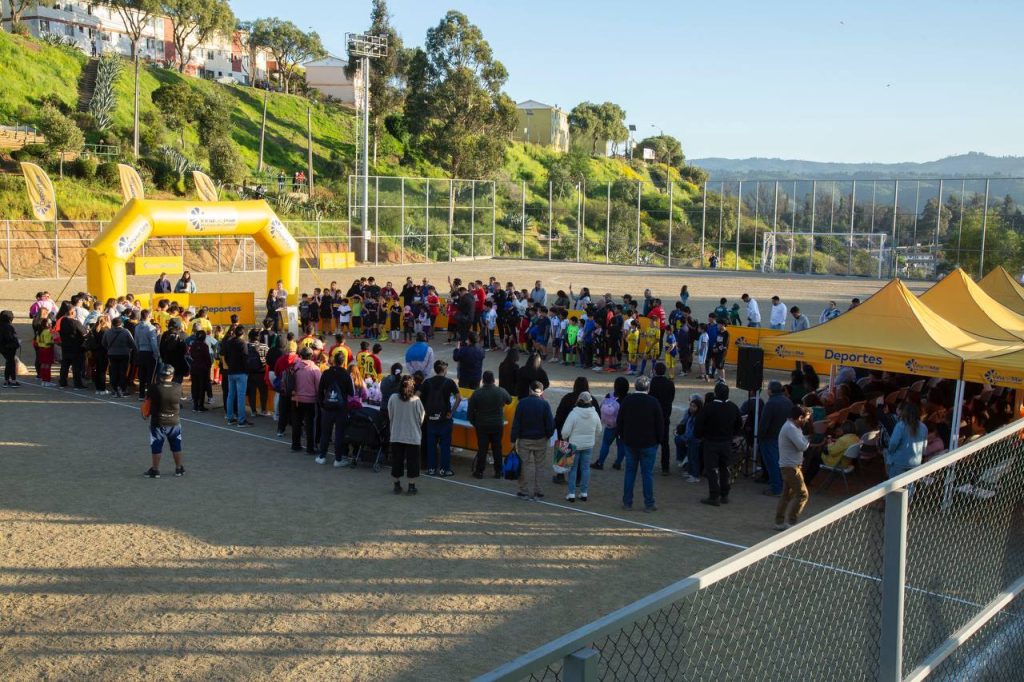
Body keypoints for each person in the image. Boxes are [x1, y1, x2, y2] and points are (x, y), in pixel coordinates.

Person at [617, 376, 663, 512]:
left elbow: (620, 420)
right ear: (648, 388)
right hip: (649, 443)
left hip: (630, 442)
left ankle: (627, 502)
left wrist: (622, 437)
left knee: (630, 473)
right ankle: (649, 504)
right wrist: (658, 440)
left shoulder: (627, 400)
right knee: (647, 474)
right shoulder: (653, 402)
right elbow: (660, 423)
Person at [695, 381, 743, 506]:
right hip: (726, 443)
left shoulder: (709, 407)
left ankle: (714, 495)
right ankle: (724, 494)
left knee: (712, 470)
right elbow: (739, 424)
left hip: (711, 443)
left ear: (716, 393)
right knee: (725, 469)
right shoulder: (733, 407)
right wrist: (732, 435)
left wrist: (701, 436)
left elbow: (698, 426)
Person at [511, 380, 555, 500]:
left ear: (530, 390)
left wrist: (513, 438)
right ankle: (538, 491)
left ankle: (523, 490)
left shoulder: (522, 403)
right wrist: (548, 435)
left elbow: (516, 423)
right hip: (540, 439)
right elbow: (550, 424)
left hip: (524, 439)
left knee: (524, 464)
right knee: (539, 466)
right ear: (541, 392)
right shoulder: (545, 404)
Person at [467, 370, 511, 479]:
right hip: (497, 424)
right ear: (493, 380)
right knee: (497, 448)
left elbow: (470, 412)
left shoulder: (477, 393)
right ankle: (498, 471)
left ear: (483, 380)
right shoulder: (501, 391)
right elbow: (509, 401)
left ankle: (479, 471)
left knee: (482, 448)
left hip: (482, 424)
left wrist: (475, 423)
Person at [420, 360, 461, 477]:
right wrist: (451, 412)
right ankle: (444, 469)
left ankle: (431, 468)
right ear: (444, 370)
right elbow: (459, 398)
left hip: (431, 419)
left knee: (431, 445)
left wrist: (423, 412)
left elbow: (417, 396)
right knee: (445, 446)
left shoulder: (427, 382)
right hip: (444, 419)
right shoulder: (449, 382)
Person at [143, 364, 184, 478]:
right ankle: (179, 468)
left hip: (158, 422)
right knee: (176, 446)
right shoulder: (178, 387)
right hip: (174, 421)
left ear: (160, 375)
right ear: (172, 375)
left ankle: (155, 470)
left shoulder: (153, 387)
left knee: (156, 446)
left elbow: (147, 401)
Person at [561, 391, 603, 502]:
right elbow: (599, 429)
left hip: (574, 445)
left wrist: (566, 439)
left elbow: (565, 432)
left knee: (573, 469)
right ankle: (584, 492)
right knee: (585, 468)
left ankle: (571, 493)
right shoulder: (594, 414)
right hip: (588, 445)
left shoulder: (574, 413)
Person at [317, 352, 355, 467]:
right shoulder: (345, 374)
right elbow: (351, 392)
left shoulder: (326, 373)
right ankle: (338, 459)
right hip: (340, 408)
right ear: (343, 362)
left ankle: (322, 456)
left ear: (333, 361)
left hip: (328, 407)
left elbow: (320, 391)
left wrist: (322, 405)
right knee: (339, 434)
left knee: (325, 433)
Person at [776, 405, 811, 530]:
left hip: (790, 466)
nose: (806, 421)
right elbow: (802, 446)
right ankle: (791, 523)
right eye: (805, 418)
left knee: (786, 495)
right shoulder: (791, 428)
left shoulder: (793, 427)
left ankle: (779, 522)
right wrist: (808, 439)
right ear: (799, 417)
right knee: (802, 494)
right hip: (791, 467)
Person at [389, 374, 425, 495]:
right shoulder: (416, 401)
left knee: (397, 461)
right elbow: (421, 418)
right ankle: (411, 486)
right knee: (412, 462)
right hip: (412, 435)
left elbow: (390, 415)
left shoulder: (393, 398)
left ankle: (397, 486)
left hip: (397, 434)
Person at [758, 380, 793, 497]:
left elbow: (764, 423)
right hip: (783, 437)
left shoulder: (771, 404)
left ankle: (776, 488)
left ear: (770, 391)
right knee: (780, 462)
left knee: (772, 463)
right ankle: (781, 485)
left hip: (770, 437)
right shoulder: (788, 402)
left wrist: (760, 436)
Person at [594, 376, 629, 470]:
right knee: (621, 445)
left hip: (610, 425)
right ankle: (618, 463)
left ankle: (600, 462)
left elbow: (601, 407)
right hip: (622, 427)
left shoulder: (609, 395)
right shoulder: (628, 398)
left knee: (605, 444)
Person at [290, 347, 322, 454]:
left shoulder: (295, 367)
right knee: (310, 424)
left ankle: (295, 445)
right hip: (310, 401)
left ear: (301, 355)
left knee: (297, 423)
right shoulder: (314, 368)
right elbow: (319, 386)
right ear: (311, 356)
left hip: (296, 399)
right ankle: (310, 447)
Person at [885, 402, 928, 478]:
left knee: (896, 487)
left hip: (899, 462)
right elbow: (924, 448)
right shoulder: (923, 427)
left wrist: (890, 452)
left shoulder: (900, 426)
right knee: (911, 487)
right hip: (915, 462)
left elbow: (893, 443)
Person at [648, 362, 676, 475]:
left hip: (653, 417)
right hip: (665, 416)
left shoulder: (652, 382)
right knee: (665, 443)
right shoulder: (670, 383)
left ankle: (649, 464)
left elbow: (649, 397)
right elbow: (671, 398)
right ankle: (665, 467)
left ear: (655, 370)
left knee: (651, 442)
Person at [222, 326, 252, 427]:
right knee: (240, 396)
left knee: (230, 395)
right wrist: (247, 371)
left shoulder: (229, 342)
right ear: (243, 334)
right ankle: (241, 420)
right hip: (241, 372)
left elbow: (225, 356)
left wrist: (230, 365)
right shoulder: (243, 343)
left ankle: (230, 418)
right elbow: (245, 358)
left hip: (231, 372)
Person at [102, 317, 136, 398]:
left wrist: (110, 349)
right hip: (124, 353)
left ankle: (114, 389)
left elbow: (103, 343)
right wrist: (129, 349)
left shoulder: (108, 332)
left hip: (112, 354)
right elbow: (132, 343)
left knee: (113, 371)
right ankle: (122, 389)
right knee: (123, 372)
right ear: (121, 323)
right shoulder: (126, 331)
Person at [187, 330, 212, 412]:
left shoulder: (193, 345)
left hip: (194, 368)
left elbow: (190, 355)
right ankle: (200, 406)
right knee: (201, 387)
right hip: (203, 369)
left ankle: (195, 405)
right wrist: (208, 366)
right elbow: (208, 358)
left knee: (195, 386)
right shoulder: (204, 346)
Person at [0, 310, 21, 388]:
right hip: (9, 347)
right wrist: (16, 341)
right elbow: (10, 337)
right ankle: (13, 380)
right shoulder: (8, 326)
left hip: (2, 348)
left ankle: (6, 380)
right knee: (11, 364)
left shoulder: (1, 325)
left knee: (9, 363)